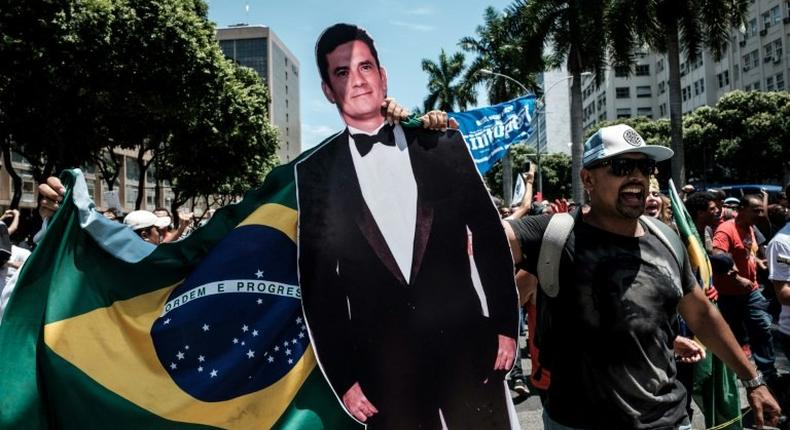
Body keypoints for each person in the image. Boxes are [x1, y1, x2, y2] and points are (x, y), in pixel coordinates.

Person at [296, 23, 518, 429]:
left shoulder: (440, 144)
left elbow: (488, 237)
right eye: (342, 72)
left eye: (366, 67)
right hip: (385, 372)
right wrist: (344, 378)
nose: (357, 81)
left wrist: (506, 327)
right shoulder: (314, 174)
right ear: (328, 89)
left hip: (469, 350)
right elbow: (320, 287)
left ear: (383, 76)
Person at [502, 123, 780, 429]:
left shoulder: (666, 239)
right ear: (588, 179)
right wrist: (442, 146)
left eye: (645, 167)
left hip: (670, 421)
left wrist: (753, 380)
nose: (637, 176)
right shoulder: (554, 233)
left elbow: (701, 314)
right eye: (622, 166)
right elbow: (472, 238)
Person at [712, 194, 778, 382]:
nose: (760, 214)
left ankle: (769, 375)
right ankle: (735, 376)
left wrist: (757, 261)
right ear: (741, 209)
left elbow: (746, 252)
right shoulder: (726, 230)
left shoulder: (750, 228)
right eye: (755, 210)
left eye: (761, 210)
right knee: (731, 336)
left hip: (751, 291)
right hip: (728, 295)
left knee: (762, 327)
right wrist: (737, 277)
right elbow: (718, 257)